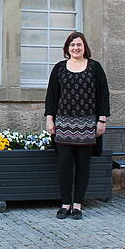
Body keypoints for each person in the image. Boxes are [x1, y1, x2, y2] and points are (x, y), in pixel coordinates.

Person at [44, 31, 110, 221]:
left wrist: (102, 120)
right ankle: (65, 204)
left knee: (83, 166)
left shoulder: (94, 68)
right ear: (67, 48)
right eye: (72, 45)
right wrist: (50, 119)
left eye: (79, 45)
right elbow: (51, 96)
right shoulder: (59, 68)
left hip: (88, 125)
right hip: (63, 125)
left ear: (84, 47)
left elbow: (103, 94)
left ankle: (78, 205)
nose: (75, 48)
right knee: (64, 165)